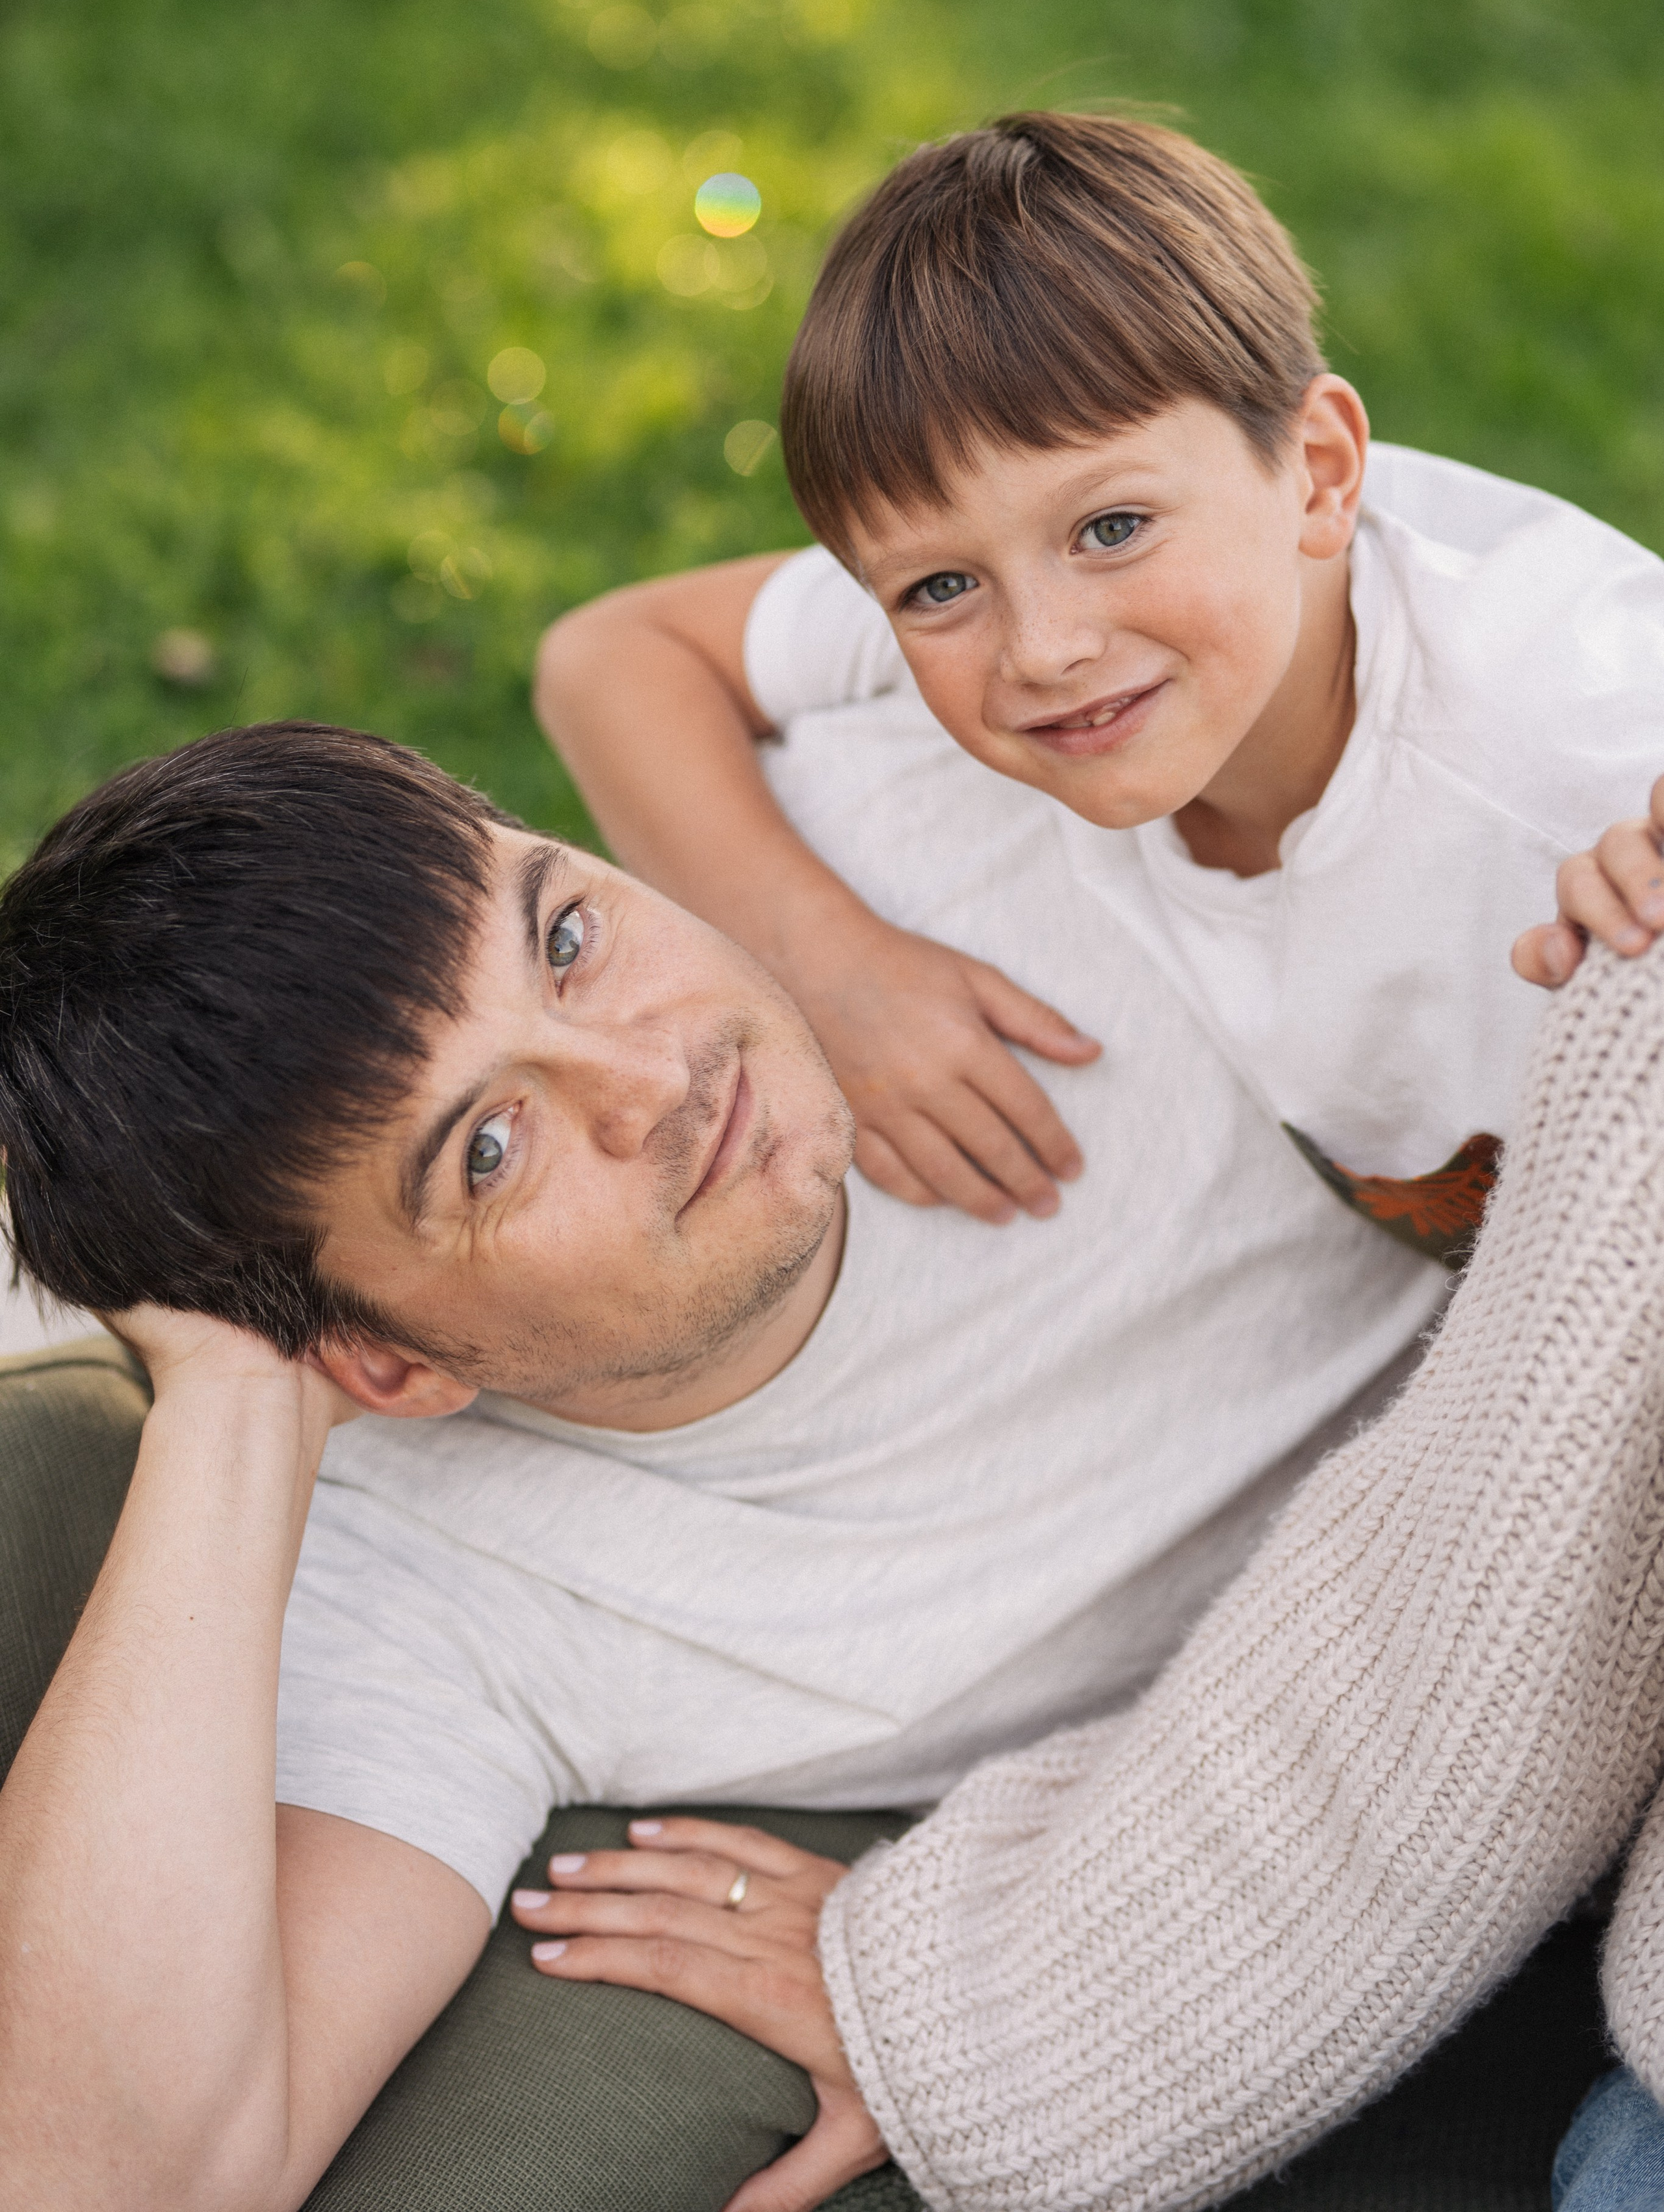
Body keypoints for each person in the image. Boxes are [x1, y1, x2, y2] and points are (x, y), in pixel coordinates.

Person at [3, 725, 1664, 2211]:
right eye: (491, 1150)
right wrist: (228, 1389)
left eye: (567, 936)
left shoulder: (991, 807)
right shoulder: (445, 1604)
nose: (658, 1076)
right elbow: (109, 2179)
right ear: (382, 1365)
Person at [538, 112, 1664, 1268]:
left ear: (1320, 475)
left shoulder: (1564, 778)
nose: (1042, 648)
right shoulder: (1023, 520)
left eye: (1113, 530)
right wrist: (822, 964)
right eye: (935, 590)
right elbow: (611, 658)